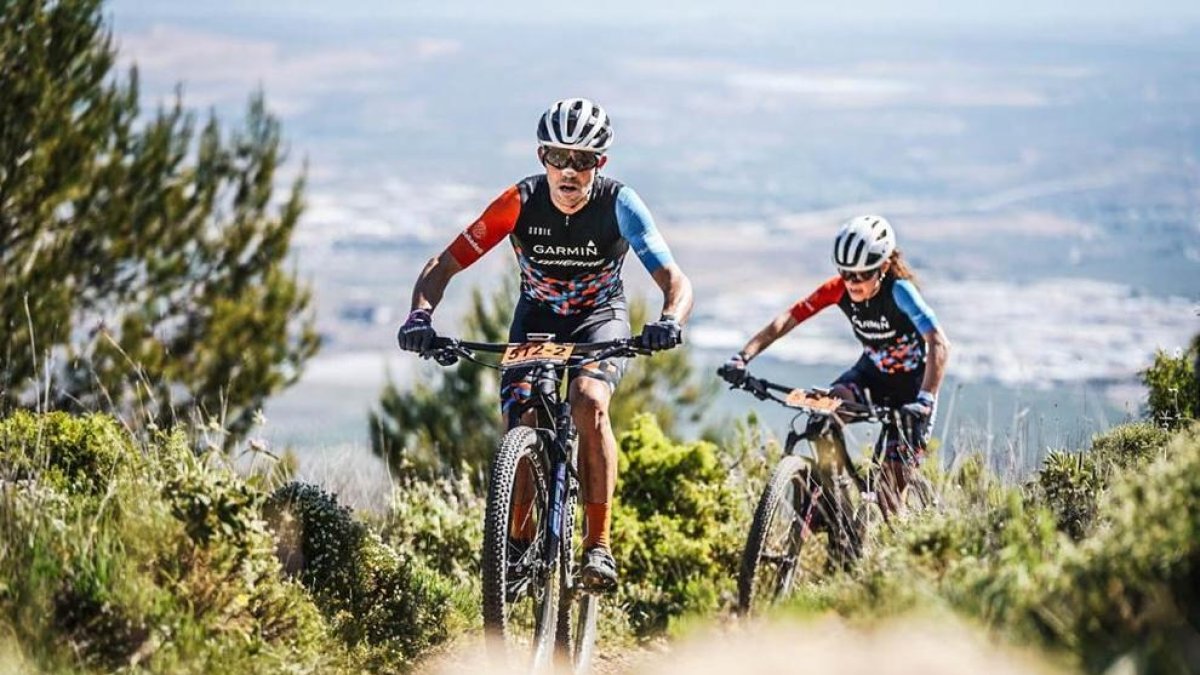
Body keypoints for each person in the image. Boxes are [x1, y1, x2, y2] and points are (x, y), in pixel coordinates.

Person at [397, 97, 694, 592]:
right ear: (542, 157)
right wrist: (420, 314)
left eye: (583, 159)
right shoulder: (518, 202)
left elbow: (675, 281)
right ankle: (519, 545)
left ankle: (597, 547)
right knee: (521, 416)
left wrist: (669, 319)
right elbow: (443, 265)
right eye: (558, 157)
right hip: (536, 320)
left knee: (589, 401)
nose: (569, 170)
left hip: (599, 318)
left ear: (601, 162)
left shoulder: (620, 204)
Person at [719, 215, 949, 512]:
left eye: (861, 275)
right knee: (824, 415)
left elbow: (939, 342)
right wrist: (743, 356)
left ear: (882, 267)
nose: (852, 282)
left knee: (889, 495)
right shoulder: (838, 288)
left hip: (913, 391)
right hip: (871, 376)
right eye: (845, 273)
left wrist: (926, 398)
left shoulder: (899, 292)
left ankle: (900, 534)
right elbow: (789, 318)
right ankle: (831, 506)